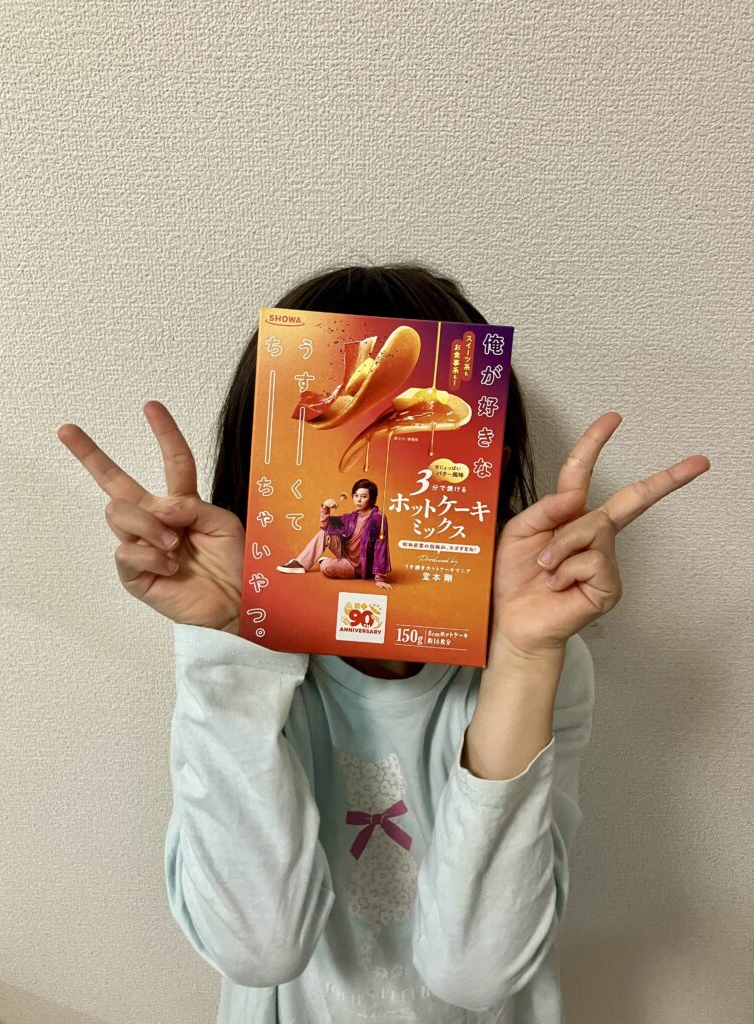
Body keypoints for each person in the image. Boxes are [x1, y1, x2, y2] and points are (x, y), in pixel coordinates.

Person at [56, 262, 710, 1023]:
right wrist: (232, 643)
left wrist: (526, 659)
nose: (369, 478)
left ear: (489, 465)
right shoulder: (244, 661)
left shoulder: (538, 663)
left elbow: (478, 972)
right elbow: (257, 946)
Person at [276, 478, 393, 591]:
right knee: (324, 532)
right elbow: (326, 526)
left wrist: (379, 578)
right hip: (346, 554)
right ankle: (300, 564)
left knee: (325, 567)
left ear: (371, 499)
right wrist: (325, 508)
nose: (358, 500)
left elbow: (381, 547)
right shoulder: (352, 516)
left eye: (363, 496)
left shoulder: (378, 518)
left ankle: (327, 562)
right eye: (356, 495)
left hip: (358, 566)